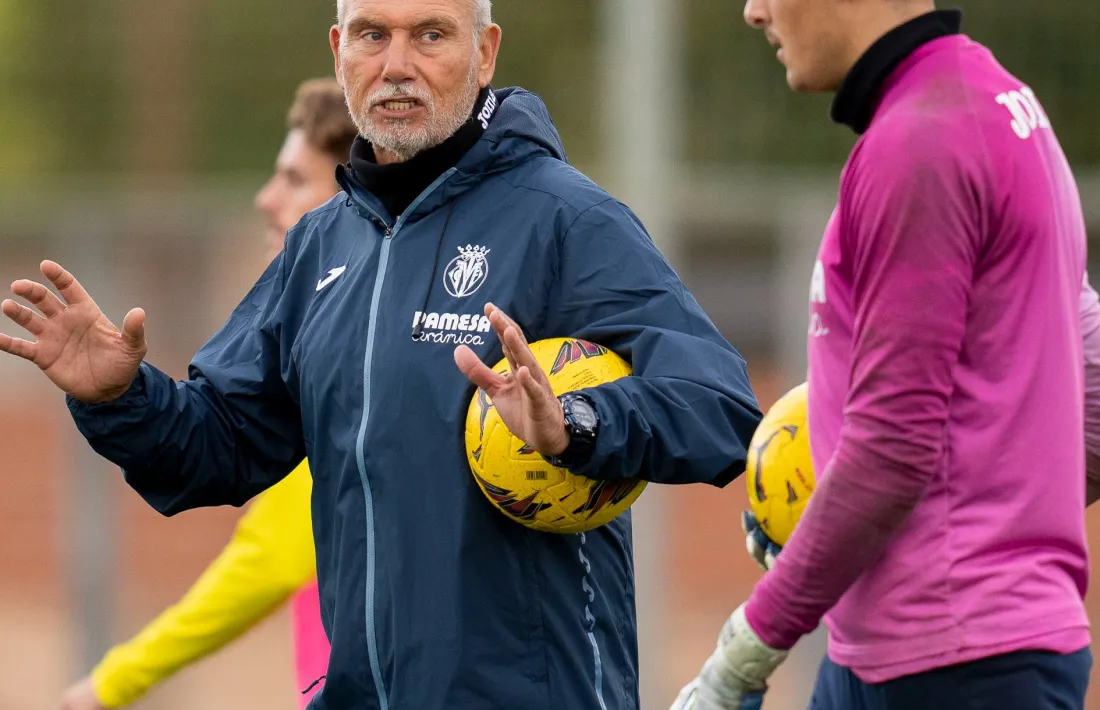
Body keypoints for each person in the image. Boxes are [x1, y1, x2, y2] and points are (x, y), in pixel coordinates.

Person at [0, 1, 763, 708]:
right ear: (339, 52)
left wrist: (575, 423)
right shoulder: (320, 245)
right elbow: (220, 444)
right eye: (372, 35)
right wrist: (119, 396)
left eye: (431, 34)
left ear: (486, 52)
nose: (397, 63)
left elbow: (720, 409)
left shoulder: (568, 222)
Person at [670, 3, 1098, 710]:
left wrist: (738, 659)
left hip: (946, 667)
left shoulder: (919, 142)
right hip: (954, 650)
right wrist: (982, 527)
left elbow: (892, 447)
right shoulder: (1002, 102)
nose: (753, 11)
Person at [58, 78, 358, 710]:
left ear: (355, 192)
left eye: (296, 179)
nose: (267, 198)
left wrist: (109, 685)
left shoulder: (361, 354)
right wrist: (120, 399)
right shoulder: (307, 335)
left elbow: (270, 557)